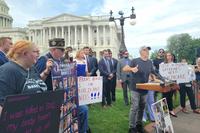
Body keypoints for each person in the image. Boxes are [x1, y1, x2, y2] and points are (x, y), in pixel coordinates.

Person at [0, 40, 48, 115]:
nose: (38, 54)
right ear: (25, 53)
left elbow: (37, 84)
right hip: (21, 123)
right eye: (36, 52)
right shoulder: (7, 71)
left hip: (38, 119)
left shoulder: (32, 68)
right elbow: (3, 105)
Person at [123, 46, 156, 133]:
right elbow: (124, 68)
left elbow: (153, 72)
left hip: (145, 89)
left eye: (148, 50)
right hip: (135, 88)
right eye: (145, 50)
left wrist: (162, 79)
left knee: (141, 108)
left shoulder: (149, 62)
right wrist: (131, 69)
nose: (147, 52)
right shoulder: (135, 60)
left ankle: (138, 124)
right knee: (134, 107)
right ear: (141, 52)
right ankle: (131, 127)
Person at [74, 49, 90, 133]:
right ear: (78, 53)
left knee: (84, 100)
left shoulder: (84, 61)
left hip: (83, 82)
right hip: (77, 82)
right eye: (82, 53)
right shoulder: (74, 61)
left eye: (84, 53)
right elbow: (73, 72)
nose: (83, 54)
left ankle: (85, 125)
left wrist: (88, 78)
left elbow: (86, 71)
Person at [161, 52, 177, 117]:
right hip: (165, 83)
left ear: (172, 56)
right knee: (164, 97)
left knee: (170, 97)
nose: (168, 57)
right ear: (165, 57)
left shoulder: (174, 64)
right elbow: (160, 73)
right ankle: (164, 111)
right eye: (167, 55)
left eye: (170, 55)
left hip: (172, 83)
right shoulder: (162, 64)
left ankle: (171, 110)